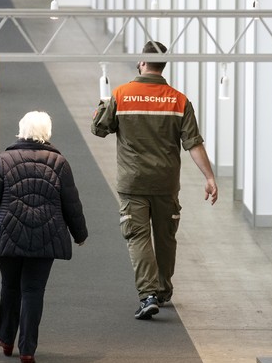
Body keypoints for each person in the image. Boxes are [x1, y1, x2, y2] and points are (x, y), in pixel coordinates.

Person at [91, 40, 218, 320]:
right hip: (166, 183)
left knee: (138, 237)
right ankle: (162, 289)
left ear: (141, 62)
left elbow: (99, 129)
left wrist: (103, 104)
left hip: (132, 182)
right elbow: (193, 144)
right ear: (164, 65)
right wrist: (209, 177)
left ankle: (148, 294)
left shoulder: (121, 95)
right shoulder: (179, 100)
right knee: (165, 237)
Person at [0, 111, 88, 363]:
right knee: (33, 291)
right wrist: (80, 234)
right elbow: (71, 203)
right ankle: (28, 350)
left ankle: (6, 339)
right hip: (46, 235)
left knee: (9, 286)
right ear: (47, 132)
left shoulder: (4, 159)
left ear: (22, 130)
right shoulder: (59, 163)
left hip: (7, 233)